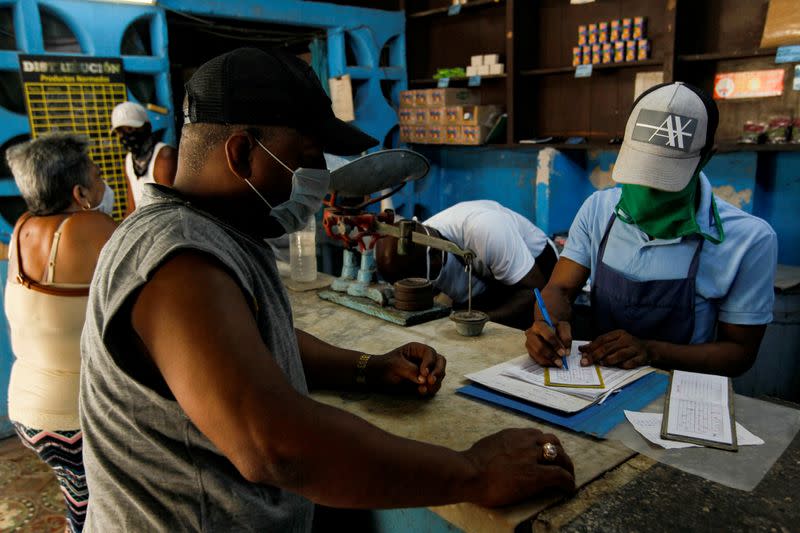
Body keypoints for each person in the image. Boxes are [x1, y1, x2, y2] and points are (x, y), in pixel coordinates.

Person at [79, 48, 575, 531]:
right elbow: (276, 445)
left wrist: (368, 368)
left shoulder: (223, 234)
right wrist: (474, 472)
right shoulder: (178, 260)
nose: (317, 183)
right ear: (243, 154)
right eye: (308, 159)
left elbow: (255, 345)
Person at [525, 82, 778, 377]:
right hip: (597, 382)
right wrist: (546, 322)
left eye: (662, 184)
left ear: (706, 157)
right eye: (638, 176)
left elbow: (740, 353)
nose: (644, 199)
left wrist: (652, 351)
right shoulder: (598, 209)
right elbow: (560, 288)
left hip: (682, 391)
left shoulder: (749, 240)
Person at [5, 133, 117, 533]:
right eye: (99, 176)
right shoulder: (90, 228)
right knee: (102, 513)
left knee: (83, 503)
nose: (106, 184)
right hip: (75, 417)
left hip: (27, 411)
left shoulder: (22, 227)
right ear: (80, 193)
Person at [375, 200, 559, 329]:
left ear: (436, 258)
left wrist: (486, 319)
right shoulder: (422, 246)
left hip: (535, 273)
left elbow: (536, 291)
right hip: (488, 274)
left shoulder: (486, 230)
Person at [110, 101, 177, 216]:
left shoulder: (164, 157)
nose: (124, 137)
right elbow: (131, 208)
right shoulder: (129, 160)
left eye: (129, 129)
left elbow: (171, 211)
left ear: (147, 127)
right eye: (119, 132)